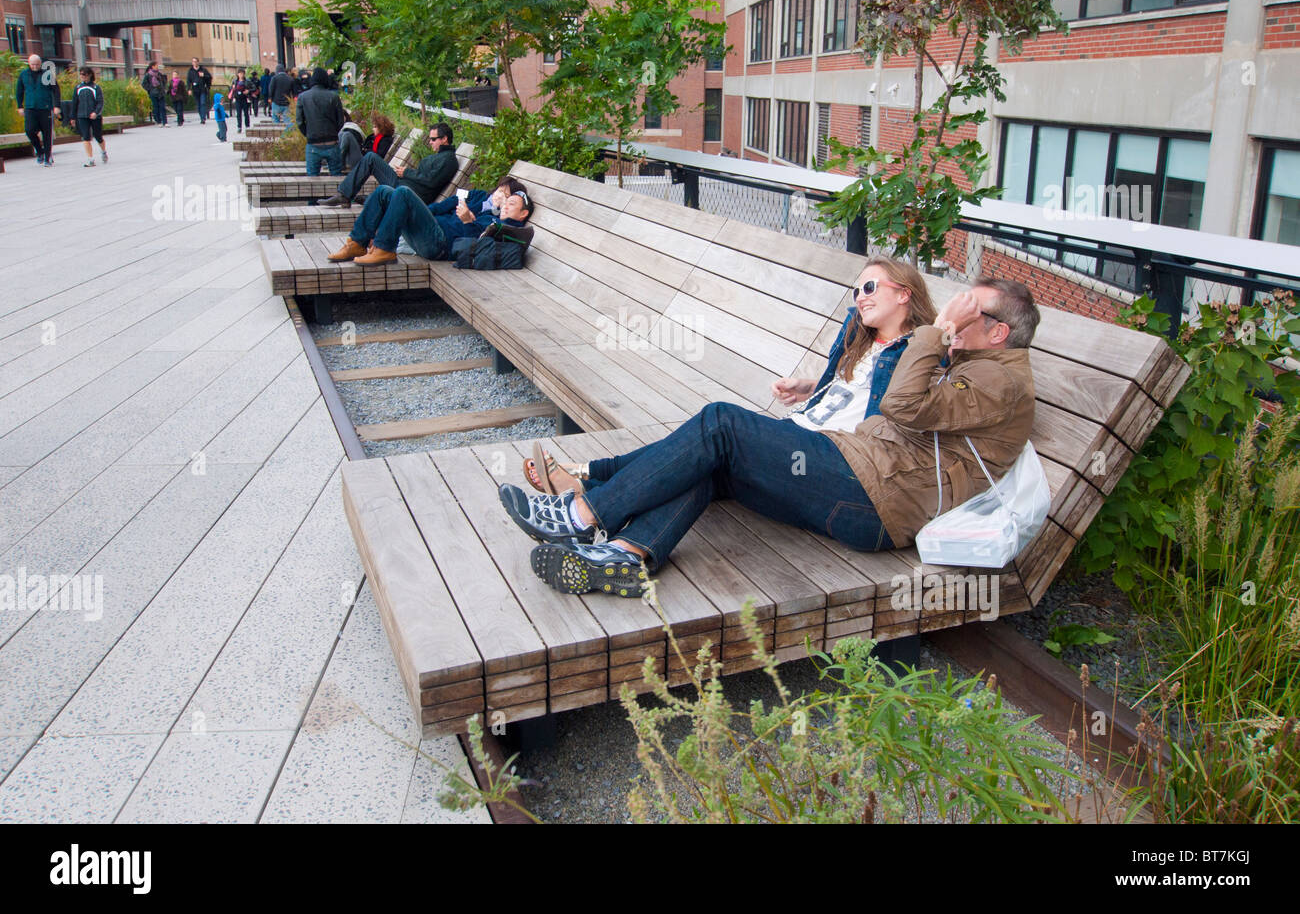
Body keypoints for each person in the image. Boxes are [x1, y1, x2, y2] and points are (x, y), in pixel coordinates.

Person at [504, 269, 1041, 598]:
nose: (958, 314)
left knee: (722, 422)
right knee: (714, 461)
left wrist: (938, 329)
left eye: (973, 310)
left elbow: (901, 403)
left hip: (875, 500)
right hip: (857, 474)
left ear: (997, 332)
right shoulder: (979, 367)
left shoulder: (1003, 380)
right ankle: (626, 556)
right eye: (959, 305)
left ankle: (580, 515)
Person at [327, 177, 532, 266]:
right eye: (500, 192)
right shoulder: (479, 198)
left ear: (521, 212)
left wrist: (469, 221)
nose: (502, 200)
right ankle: (356, 243)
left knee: (404, 193)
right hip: (433, 229)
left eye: (508, 199)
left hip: (440, 244)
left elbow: (478, 243)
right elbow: (449, 204)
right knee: (383, 192)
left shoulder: (501, 223)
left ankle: (384, 249)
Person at [316, 122, 458, 208]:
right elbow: (426, 176)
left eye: (433, 139)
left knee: (371, 158)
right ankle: (348, 195)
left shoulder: (448, 160)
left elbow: (431, 181)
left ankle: (348, 195)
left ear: (444, 139)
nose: (430, 142)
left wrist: (407, 172)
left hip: (408, 192)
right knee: (371, 158)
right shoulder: (440, 157)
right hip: (403, 185)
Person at [295, 68, 346, 175]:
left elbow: (299, 121)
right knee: (336, 176)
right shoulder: (334, 97)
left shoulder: (303, 97)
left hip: (313, 142)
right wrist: (334, 132)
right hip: (332, 141)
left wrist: (308, 133)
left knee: (312, 180)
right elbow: (341, 120)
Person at [15, 53, 60, 167]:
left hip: (45, 107)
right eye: (33, 64)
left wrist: (57, 106)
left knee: (47, 133)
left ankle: (48, 157)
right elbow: (19, 91)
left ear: (41, 64)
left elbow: (56, 90)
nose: (35, 66)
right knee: (29, 130)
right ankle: (40, 151)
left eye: (37, 64)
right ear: (29, 64)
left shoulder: (47, 74)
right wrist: (20, 106)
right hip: (30, 107)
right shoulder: (24, 74)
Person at [73, 66, 108, 167]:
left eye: (84, 74)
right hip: (82, 116)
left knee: (98, 136)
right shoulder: (78, 88)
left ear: (89, 75)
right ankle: (90, 159)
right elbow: (74, 103)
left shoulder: (96, 88)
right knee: (85, 137)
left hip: (94, 116)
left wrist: (96, 112)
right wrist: (72, 117)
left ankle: (103, 151)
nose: (82, 76)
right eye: (80, 74)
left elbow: (100, 102)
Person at [187, 58, 213, 124]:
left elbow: (209, 77)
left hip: (202, 89)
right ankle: (201, 116)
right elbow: (188, 81)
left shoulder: (203, 70)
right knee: (198, 105)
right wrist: (189, 89)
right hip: (195, 90)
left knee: (203, 103)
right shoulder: (190, 71)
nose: (194, 63)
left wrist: (203, 75)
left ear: (198, 62)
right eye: (193, 62)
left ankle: (203, 118)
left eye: (196, 61)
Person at [142, 61, 168, 126]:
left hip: (161, 93)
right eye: (156, 65)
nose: (157, 66)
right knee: (156, 107)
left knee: (162, 107)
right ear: (153, 66)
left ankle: (165, 122)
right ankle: (158, 121)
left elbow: (163, 82)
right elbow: (144, 84)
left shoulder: (159, 74)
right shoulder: (148, 75)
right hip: (153, 93)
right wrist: (150, 89)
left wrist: (164, 88)